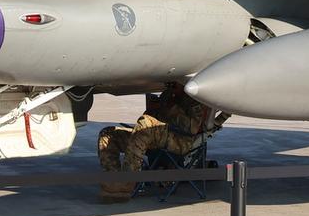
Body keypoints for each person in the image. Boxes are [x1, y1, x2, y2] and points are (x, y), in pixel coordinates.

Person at [96, 82, 227, 203]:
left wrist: (170, 108)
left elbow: (191, 128)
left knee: (145, 123)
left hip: (180, 139)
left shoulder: (195, 99)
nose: (171, 84)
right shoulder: (169, 93)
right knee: (108, 134)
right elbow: (153, 117)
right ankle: (114, 180)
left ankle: (128, 181)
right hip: (154, 136)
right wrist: (154, 108)